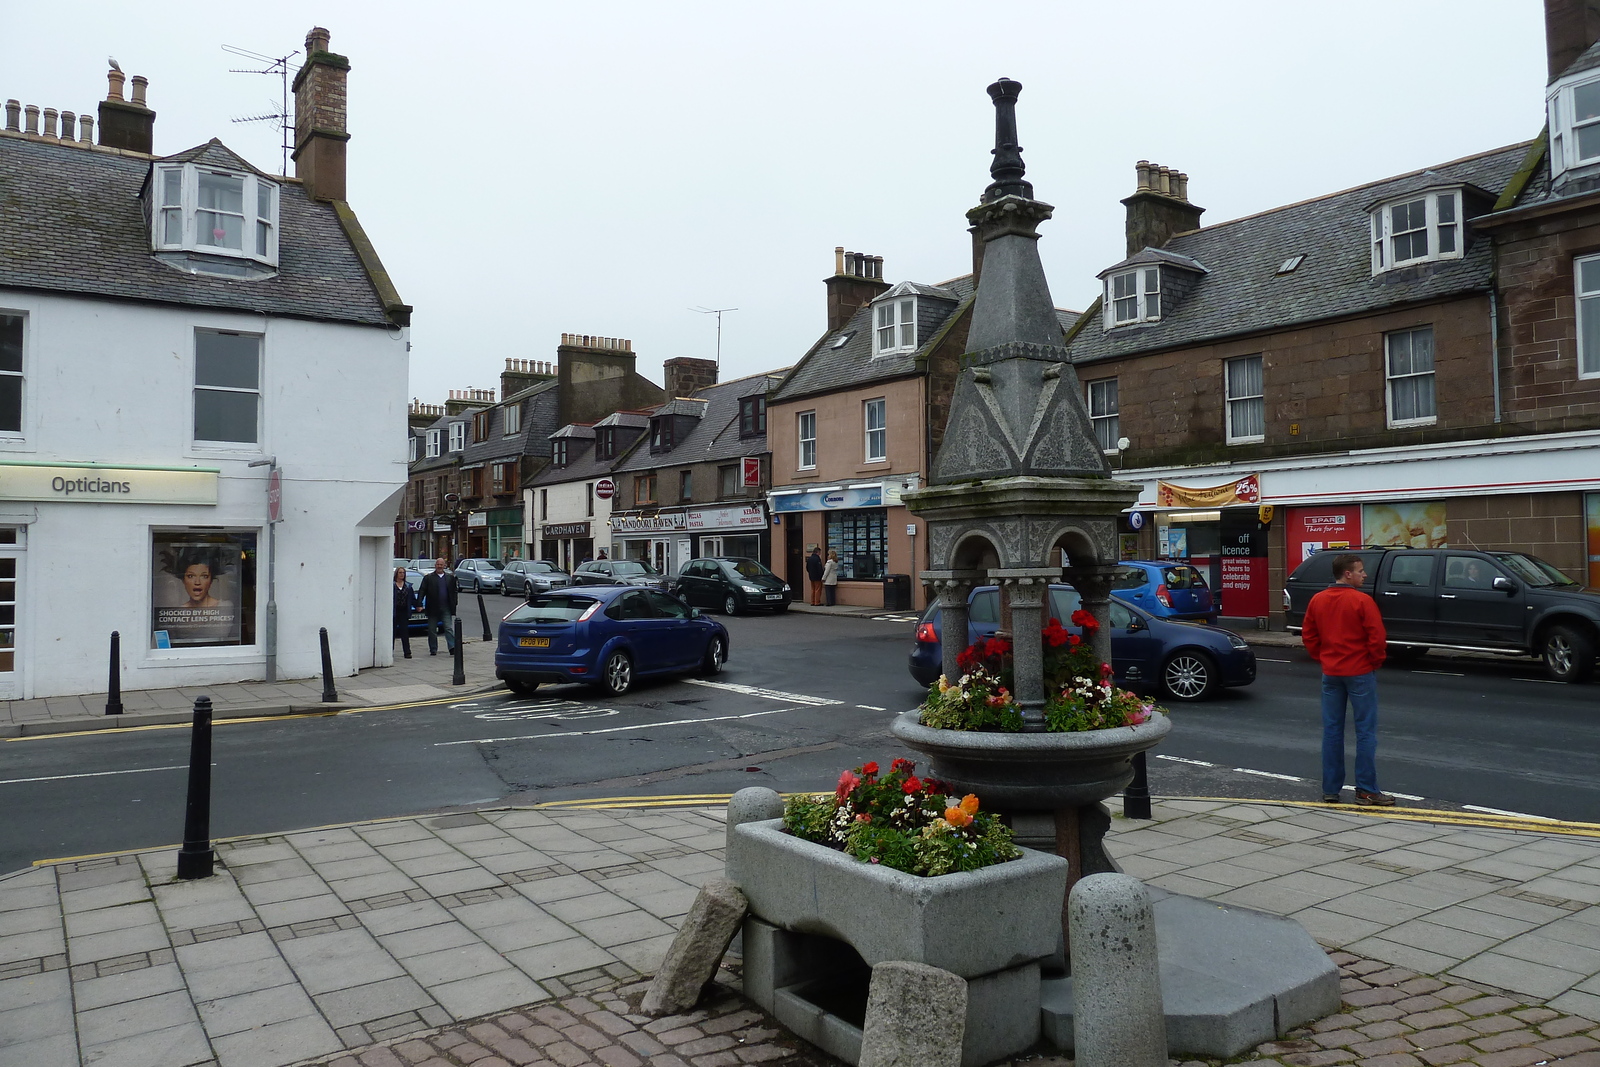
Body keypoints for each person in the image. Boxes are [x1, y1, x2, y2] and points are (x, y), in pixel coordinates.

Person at [1302, 554, 1394, 807]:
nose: (1364, 575)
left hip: (1331, 673)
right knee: (1365, 732)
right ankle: (1366, 790)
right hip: (1360, 673)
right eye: (1361, 571)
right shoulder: (1362, 601)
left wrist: (1322, 657)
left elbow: (1309, 634)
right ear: (1347, 574)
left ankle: (1331, 789)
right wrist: (1374, 662)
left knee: (1332, 731)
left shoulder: (1318, 600)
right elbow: (1376, 637)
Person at [419, 558, 458, 656]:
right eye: (438, 564)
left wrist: (455, 603)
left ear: (444, 566)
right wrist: (419, 603)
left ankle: (452, 647)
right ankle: (433, 649)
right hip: (433, 608)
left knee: (448, 628)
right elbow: (422, 591)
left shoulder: (450, 578)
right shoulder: (428, 578)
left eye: (441, 564)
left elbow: (454, 592)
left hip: (446, 607)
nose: (439, 566)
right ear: (435, 565)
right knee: (432, 630)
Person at [392, 567, 416, 659]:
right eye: (400, 572)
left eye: (403, 573)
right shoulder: (392, 585)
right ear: (396, 574)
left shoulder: (408, 586)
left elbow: (412, 599)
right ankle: (390, 651)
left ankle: (407, 652)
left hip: (404, 611)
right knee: (392, 633)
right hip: (394, 611)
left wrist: (418, 605)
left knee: (404, 633)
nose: (402, 574)